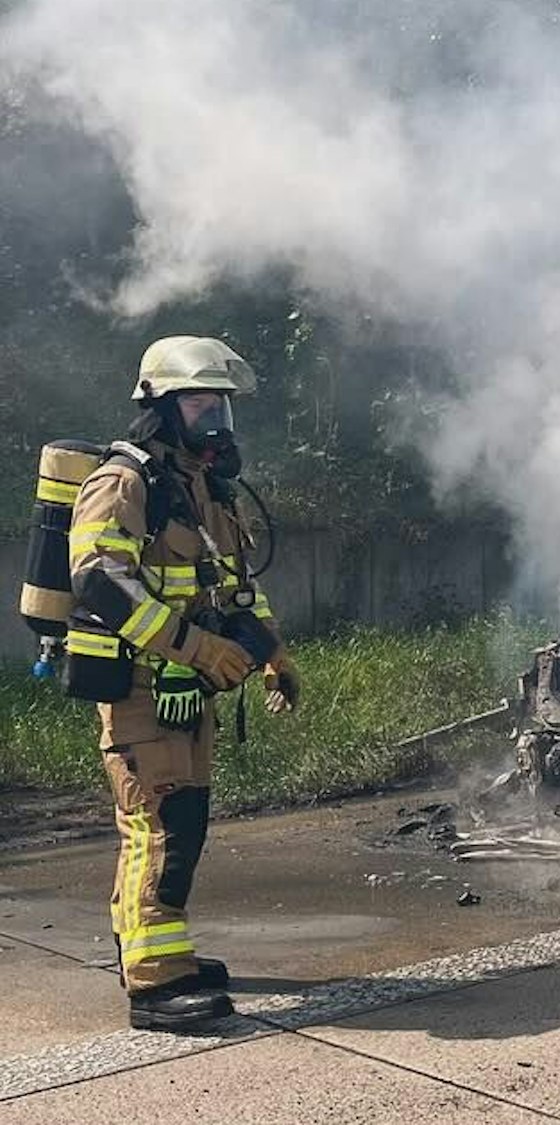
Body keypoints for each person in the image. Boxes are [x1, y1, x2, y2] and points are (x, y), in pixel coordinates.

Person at [68, 336, 302, 1031]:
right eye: (200, 403)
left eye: (221, 406)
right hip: (142, 687)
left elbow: (234, 588)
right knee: (163, 826)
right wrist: (193, 646)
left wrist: (272, 654)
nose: (215, 421)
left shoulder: (202, 490)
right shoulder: (125, 482)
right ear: (161, 407)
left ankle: (152, 948)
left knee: (178, 824)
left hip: (189, 690)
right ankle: (154, 985)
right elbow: (98, 579)